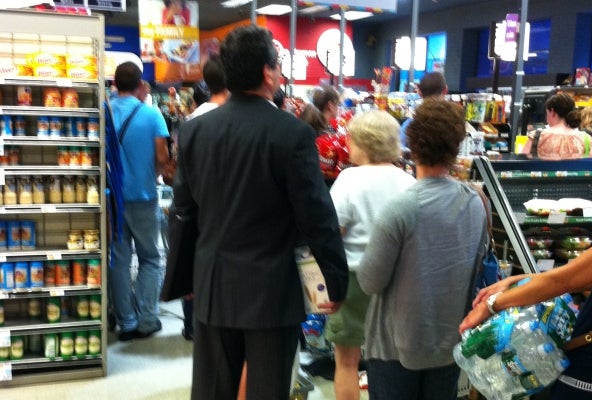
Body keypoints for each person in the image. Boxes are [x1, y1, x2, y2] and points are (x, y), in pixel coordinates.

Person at [171, 25, 348, 400]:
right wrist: (335, 279)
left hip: (213, 282)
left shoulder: (194, 132)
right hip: (272, 289)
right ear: (268, 73)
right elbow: (316, 215)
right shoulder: (292, 134)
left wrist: (184, 278)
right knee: (267, 390)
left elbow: (183, 211)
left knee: (212, 389)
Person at [356, 98, 487, 400]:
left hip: (394, 348)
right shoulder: (476, 203)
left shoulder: (400, 208)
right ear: (456, 147)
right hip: (448, 342)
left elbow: (370, 281)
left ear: (412, 147)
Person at [325, 110, 416, 400]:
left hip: (353, 280)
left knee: (347, 361)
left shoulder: (349, 179)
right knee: (389, 361)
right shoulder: (408, 182)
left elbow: (333, 232)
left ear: (362, 143)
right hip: (397, 282)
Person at [460, 243, 592, 399]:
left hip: (589, 370)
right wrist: (525, 280)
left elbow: (565, 280)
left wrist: (491, 305)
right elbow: (586, 278)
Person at [109, 61, 175, 341]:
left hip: (113, 199)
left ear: (115, 85)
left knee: (119, 261)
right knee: (150, 258)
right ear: (140, 85)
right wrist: (153, 174)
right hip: (145, 197)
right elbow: (162, 159)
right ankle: (147, 319)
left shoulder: (104, 112)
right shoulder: (152, 115)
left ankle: (126, 321)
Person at [180, 55, 228, 341]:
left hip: (198, 214)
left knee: (195, 272)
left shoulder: (190, 124)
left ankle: (192, 326)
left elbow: (182, 182)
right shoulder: (230, 120)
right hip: (226, 218)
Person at [521, 92, 592, 160]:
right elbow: (590, 166)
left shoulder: (537, 136)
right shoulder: (586, 139)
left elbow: (522, 163)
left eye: (547, 113)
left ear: (552, 112)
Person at [399, 71, 448, 150]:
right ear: (445, 90)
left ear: (420, 92)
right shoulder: (455, 122)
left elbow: (400, 148)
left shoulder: (410, 123)